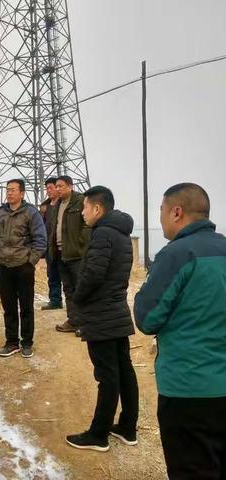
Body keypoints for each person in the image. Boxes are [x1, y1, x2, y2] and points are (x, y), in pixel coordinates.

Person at [134, 183, 226, 479]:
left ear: (177, 212)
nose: (159, 218)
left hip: (189, 391)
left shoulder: (176, 255)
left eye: (161, 211)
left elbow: (147, 320)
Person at [65, 186, 138, 452]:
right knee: (124, 370)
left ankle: (98, 435)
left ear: (97, 209)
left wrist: (77, 298)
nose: (82, 213)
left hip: (101, 315)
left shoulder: (103, 233)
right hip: (116, 310)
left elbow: (93, 274)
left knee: (107, 375)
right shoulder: (120, 234)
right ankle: (128, 427)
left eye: (84, 208)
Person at [0, 179, 47, 358]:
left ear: (21, 193)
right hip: (3, 266)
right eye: (7, 190)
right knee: (9, 307)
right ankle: (12, 342)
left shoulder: (31, 213)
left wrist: (31, 261)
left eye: (13, 190)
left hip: (23, 266)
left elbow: (40, 239)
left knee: (26, 306)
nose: (9, 193)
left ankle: (27, 342)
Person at [48, 175, 90, 334]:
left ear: (70, 186)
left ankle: (85, 323)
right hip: (60, 254)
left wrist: (80, 243)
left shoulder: (80, 201)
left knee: (81, 288)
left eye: (60, 186)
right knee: (68, 289)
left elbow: (88, 224)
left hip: (76, 255)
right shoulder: (56, 204)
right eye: (56, 186)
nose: (57, 189)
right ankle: (74, 320)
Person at [39, 177, 63, 310]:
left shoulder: (64, 204)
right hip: (50, 247)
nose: (48, 190)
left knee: (67, 275)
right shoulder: (45, 206)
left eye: (51, 187)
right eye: (47, 188)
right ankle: (55, 301)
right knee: (52, 275)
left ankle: (74, 301)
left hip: (63, 247)